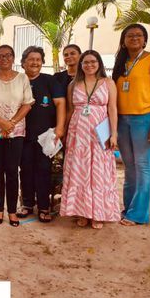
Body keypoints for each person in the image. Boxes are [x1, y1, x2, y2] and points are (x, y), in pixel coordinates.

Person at [112, 24, 150, 226]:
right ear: (123, 41)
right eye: (130, 35)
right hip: (122, 119)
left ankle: (138, 214)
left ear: (145, 40)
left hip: (144, 119)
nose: (134, 38)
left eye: (138, 35)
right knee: (129, 167)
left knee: (142, 165)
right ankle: (128, 209)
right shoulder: (122, 62)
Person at [60, 50, 120, 229]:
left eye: (93, 61)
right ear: (81, 65)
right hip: (78, 134)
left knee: (99, 172)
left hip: (100, 134)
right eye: (85, 62)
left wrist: (114, 134)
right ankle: (82, 212)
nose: (89, 65)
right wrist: (63, 131)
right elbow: (70, 110)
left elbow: (113, 109)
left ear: (99, 63)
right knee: (79, 172)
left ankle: (98, 213)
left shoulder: (108, 83)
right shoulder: (73, 84)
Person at [0, 45, 34, 226]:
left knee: (12, 170)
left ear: (13, 58)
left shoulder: (22, 78)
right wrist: (1, 122)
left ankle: (12, 211)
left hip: (16, 132)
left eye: (8, 55)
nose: (5, 59)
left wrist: (12, 122)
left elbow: (27, 104)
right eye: (0, 56)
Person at [18, 46, 66, 223]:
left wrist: (59, 128)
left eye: (38, 59)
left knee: (44, 170)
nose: (35, 62)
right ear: (23, 63)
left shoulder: (50, 81)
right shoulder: (18, 80)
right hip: (22, 135)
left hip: (46, 135)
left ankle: (44, 206)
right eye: (31, 59)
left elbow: (60, 104)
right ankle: (27, 204)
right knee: (25, 169)